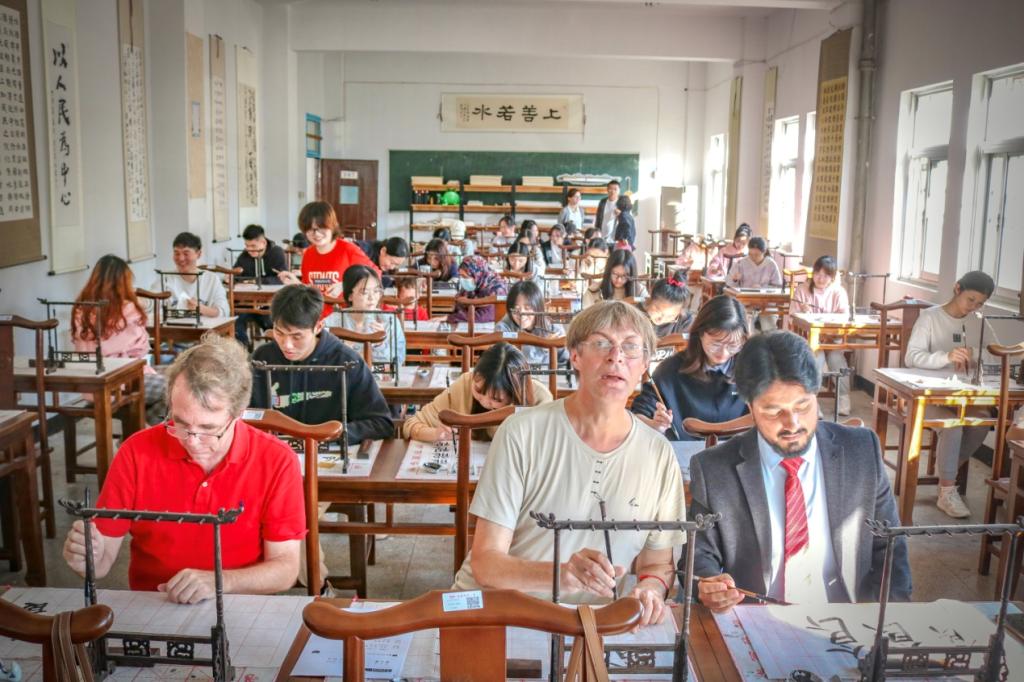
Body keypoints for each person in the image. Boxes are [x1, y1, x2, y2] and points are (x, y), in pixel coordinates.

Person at [454, 301, 684, 622]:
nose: (616, 356)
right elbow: (486, 564)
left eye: (631, 347)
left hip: (589, 622)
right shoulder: (521, 432)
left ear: (645, 364)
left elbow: (657, 565)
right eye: (601, 343)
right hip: (499, 611)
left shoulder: (659, 454)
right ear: (575, 355)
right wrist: (562, 574)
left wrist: (650, 590)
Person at [62, 334, 307, 602]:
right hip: (155, 603)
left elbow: (285, 569)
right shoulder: (136, 452)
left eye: (208, 429)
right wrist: (87, 556)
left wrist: (219, 581)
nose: (191, 441)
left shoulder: (277, 460)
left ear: (239, 414)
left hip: (240, 601)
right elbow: (101, 563)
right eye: (180, 423)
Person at [690, 331, 911, 611]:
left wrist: (891, 620)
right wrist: (709, 586)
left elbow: (890, 549)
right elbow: (698, 561)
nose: (792, 423)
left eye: (803, 405)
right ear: (750, 407)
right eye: (774, 411)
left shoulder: (861, 451)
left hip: (848, 619)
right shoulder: (714, 470)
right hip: (759, 621)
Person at [904, 270, 996, 518]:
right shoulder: (930, 317)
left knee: (982, 421)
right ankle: (946, 491)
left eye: (980, 303)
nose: (973, 307)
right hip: (927, 396)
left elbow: (994, 353)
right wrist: (945, 356)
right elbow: (911, 357)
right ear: (957, 289)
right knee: (952, 425)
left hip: (963, 395)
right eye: (971, 299)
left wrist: (974, 353)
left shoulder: (977, 321)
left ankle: (947, 471)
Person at [250, 284, 393, 438]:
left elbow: (381, 423)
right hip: (274, 448)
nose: (287, 345)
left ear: (318, 327)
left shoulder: (347, 362)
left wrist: (330, 436)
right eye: (279, 333)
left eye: (297, 336)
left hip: (330, 447)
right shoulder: (262, 358)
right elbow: (243, 415)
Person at [631, 295, 748, 440]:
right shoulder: (672, 369)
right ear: (700, 334)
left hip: (739, 452)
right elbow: (639, 412)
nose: (724, 353)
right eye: (716, 344)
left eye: (733, 345)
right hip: (683, 452)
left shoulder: (751, 371)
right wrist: (655, 425)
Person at [71, 255, 166, 425]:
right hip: (122, 381)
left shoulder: (81, 309)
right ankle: (142, 433)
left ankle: (138, 430)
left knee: (177, 377)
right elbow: (142, 349)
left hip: (90, 383)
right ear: (123, 282)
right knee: (178, 388)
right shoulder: (127, 309)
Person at [402, 342, 553, 442]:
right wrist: (436, 434)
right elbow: (411, 424)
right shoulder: (466, 384)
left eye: (496, 399)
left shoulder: (540, 400)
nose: (485, 402)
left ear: (515, 393)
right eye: (479, 390)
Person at [277, 201, 378, 320]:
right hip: (315, 318)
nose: (316, 234)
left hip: (345, 319)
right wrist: (297, 284)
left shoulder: (348, 249)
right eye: (310, 229)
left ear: (332, 226)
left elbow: (376, 275)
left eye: (321, 228)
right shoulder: (308, 254)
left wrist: (346, 284)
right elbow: (310, 290)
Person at [791, 255, 852, 415]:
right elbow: (793, 316)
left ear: (832, 277)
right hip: (808, 339)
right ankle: (812, 402)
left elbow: (844, 316)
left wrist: (829, 333)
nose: (820, 278)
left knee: (837, 360)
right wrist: (803, 312)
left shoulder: (838, 291)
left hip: (831, 337)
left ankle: (843, 399)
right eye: (817, 274)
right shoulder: (802, 289)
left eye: (825, 275)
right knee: (815, 359)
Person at [336, 264, 407, 369]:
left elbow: (397, 361)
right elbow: (325, 362)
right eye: (364, 292)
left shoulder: (390, 321)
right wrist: (347, 344)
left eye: (376, 291)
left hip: (379, 378)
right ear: (350, 296)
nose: (372, 297)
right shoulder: (333, 321)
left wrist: (380, 344)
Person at [233, 224, 288, 346]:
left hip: (270, 302)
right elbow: (236, 275)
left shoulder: (276, 253)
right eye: (247, 245)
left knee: (271, 324)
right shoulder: (244, 256)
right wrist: (230, 277)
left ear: (263, 242)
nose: (249, 250)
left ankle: (277, 348)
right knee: (235, 321)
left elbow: (282, 279)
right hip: (247, 302)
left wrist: (255, 281)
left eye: (253, 246)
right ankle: (243, 349)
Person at [156, 232, 230, 319]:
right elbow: (151, 301)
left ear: (198, 254)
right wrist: (144, 302)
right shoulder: (166, 278)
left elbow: (223, 311)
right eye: (177, 253)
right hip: (173, 327)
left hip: (206, 327)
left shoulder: (211, 279)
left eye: (186, 253)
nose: (181, 258)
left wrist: (201, 308)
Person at [496, 280, 568, 368]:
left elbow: (566, 362)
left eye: (527, 308)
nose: (522, 315)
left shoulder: (554, 327)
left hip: (548, 376)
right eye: (516, 309)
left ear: (538, 307)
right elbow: (506, 366)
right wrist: (543, 347)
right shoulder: (503, 329)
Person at [727, 236, 783, 331]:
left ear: (764, 252)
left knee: (769, 328)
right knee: (746, 326)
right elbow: (729, 283)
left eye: (757, 255)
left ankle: (769, 339)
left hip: (766, 303)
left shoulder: (771, 264)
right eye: (750, 254)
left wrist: (763, 288)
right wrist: (735, 279)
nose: (753, 257)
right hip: (746, 302)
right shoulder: (741, 263)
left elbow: (778, 286)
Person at [447, 255, 509, 323]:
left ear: (476, 274)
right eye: (460, 276)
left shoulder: (498, 289)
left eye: (464, 276)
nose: (462, 279)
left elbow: (483, 316)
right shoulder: (475, 285)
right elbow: (459, 304)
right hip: (469, 325)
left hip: (492, 327)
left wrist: (449, 317)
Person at [582, 249, 646, 309]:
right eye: (615, 274)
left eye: (624, 276)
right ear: (608, 271)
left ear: (631, 275)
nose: (619, 280)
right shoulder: (594, 291)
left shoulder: (639, 290)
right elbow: (586, 314)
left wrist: (633, 299)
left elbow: (645, 300)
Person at [639, 272, 693, 339]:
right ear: (650, 300)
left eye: (670, 316)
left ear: (680, 312)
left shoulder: (684, 321)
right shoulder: (635, 314)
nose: (661, 319)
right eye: (658, 311)